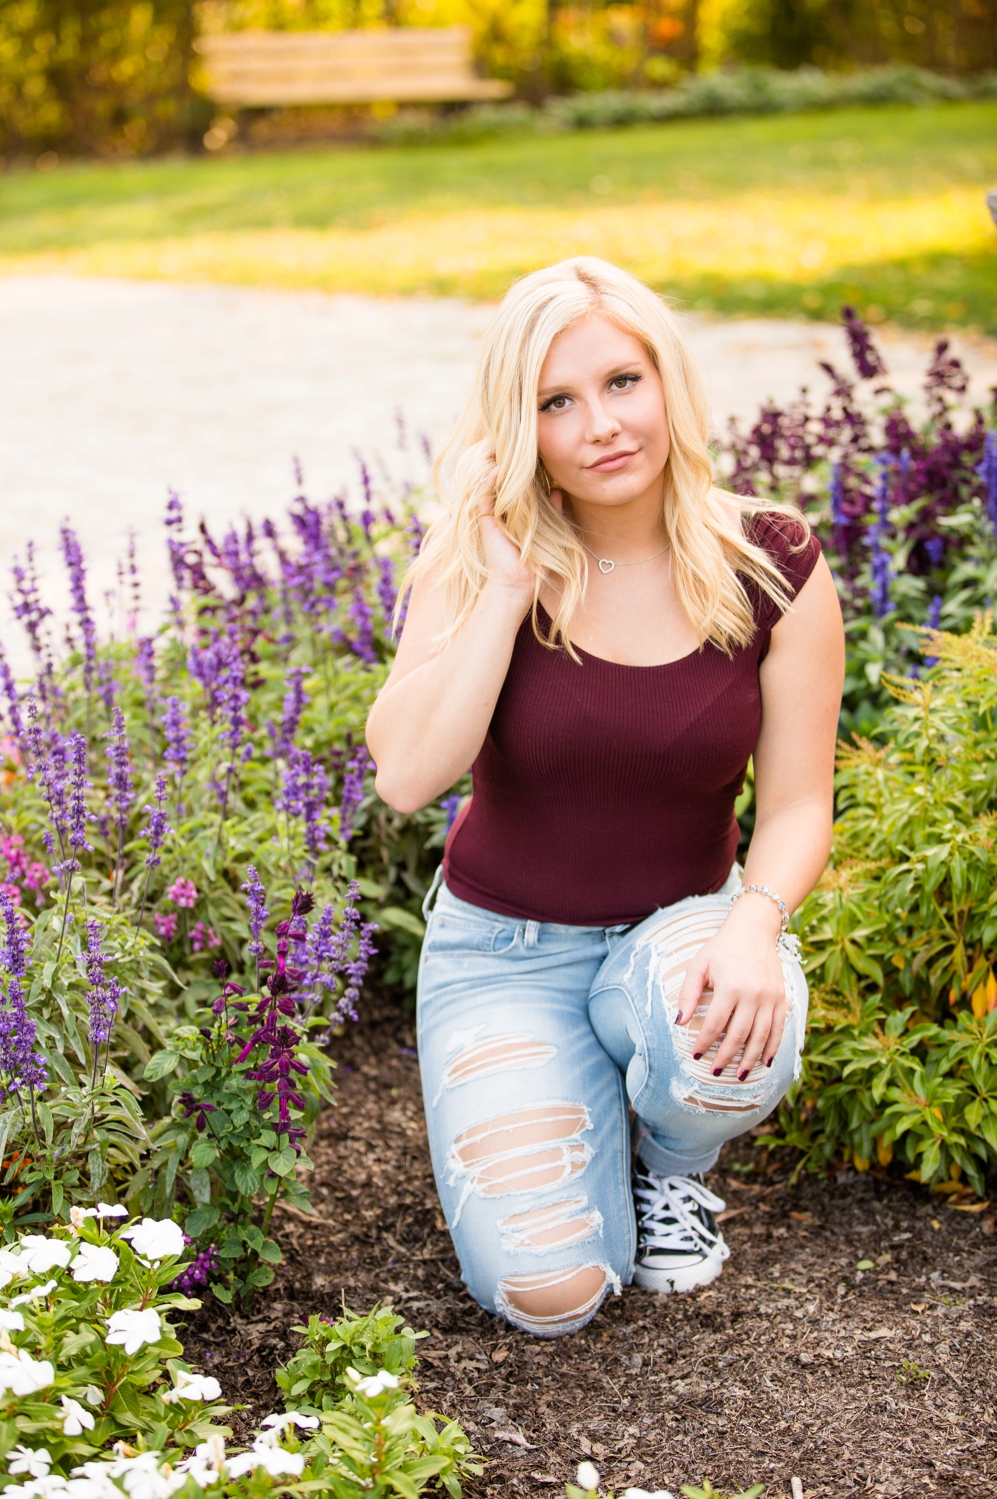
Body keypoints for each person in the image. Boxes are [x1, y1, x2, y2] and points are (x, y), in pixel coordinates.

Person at [365, 257, 844, 1338]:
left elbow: (797, 805)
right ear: (517, 426)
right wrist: (501, 586)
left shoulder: (769, 561)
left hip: (680, 937)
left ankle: (669, 1158)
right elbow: (404, 775)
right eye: (555, 402)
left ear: (667, 378)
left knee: (732, 1039)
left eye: (622, 381)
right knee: (552, 1297)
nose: (600, 425)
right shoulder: (476, 554)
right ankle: (590, 1147)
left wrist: (751, 925)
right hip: (503, 955)